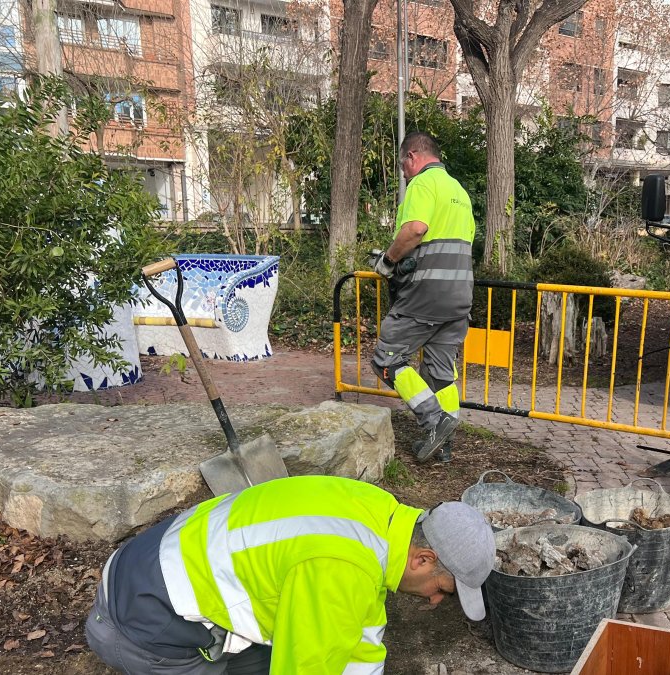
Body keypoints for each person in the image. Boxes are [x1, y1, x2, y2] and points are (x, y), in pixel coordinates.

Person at [84, 476, 496, 674]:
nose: (435, 600)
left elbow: (361, 641)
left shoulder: (379, 519)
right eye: (443, 588)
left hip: (149, 561)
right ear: (422, 560)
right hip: (139, 618)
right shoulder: (343, 570)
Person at [370, 132, 476, 462]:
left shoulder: (422, 184)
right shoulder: (459, 191)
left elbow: (415, 229)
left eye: (403, 163)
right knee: (441, 372)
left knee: (386, 360)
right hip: (460, 297)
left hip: (426, 295)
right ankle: (444, 445)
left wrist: (388, 261)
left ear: (413, 156)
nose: (403, 171)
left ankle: (434, 420)